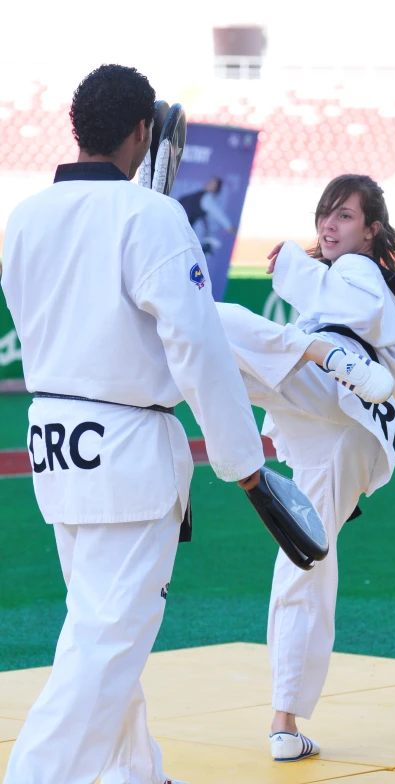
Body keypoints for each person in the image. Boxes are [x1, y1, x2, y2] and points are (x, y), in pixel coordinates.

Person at [0, 64, 268, 784]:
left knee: (98, 627)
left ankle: (132, 773)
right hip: (126, 452)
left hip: (54, 448)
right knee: (109, 641)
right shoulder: (151, 218)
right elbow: (196, 345)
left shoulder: (22, 217)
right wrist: (242, 461)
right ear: (143, 133)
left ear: (80, 128)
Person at [216, 173, 395, 762]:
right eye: (326, 214)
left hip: (345, 397)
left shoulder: (357, 272)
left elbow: (347, 302)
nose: (330, 226)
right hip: (334, 430)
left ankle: (314, 353)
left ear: (371, 230)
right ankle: (285, 723)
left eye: (346, 216)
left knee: (211, 321)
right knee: (305, 558)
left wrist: (298, 272)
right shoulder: (334, 279)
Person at [178, 176, 236, 257]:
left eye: (213, 183)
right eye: (210, 181)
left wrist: (228, 226)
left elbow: (217, 213)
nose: (209, 183)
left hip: (178, 229)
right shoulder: (200, 195)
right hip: (176, 226)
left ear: (215, 189)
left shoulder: (207, 198)